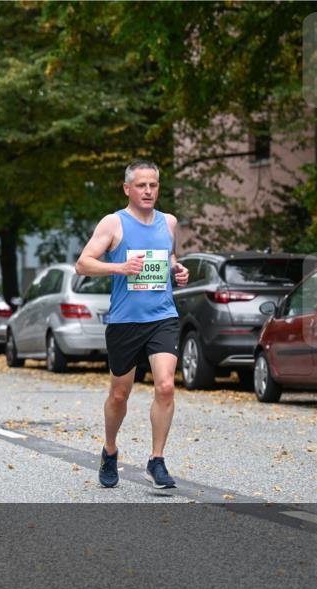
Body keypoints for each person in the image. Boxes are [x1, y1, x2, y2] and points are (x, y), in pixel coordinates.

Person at [75, 159, 190, 490]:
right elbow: (83, 264)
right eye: (141, 185)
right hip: (125, 321)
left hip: (162, 317)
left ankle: (157, 460)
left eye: (153, 185)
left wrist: (177, 271)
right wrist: (119, 268)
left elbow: (168, 258)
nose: (148, 191)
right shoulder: (113, 223)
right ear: (128, 189)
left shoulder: (169, 223)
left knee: (166, 385)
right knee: (119, 394)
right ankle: (110, 450)